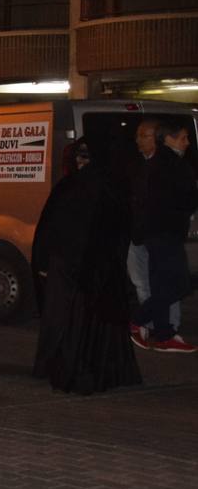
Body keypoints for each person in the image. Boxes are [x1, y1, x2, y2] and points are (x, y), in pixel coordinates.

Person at [31, 138, 141, 393]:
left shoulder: (75, 187)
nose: (81, 162)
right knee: (89, 322)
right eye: (79, 156)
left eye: (86, 156)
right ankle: (95, 369)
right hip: (93, 268)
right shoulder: (112, 187)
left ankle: (68, 367)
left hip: (76, 268)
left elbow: (52, 229)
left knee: (69, 320)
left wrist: (45, 261)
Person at [132, 121, 198, 353]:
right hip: (166, 234)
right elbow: (187, 199)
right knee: (179, 285)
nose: (187, 143)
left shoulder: (157, 163)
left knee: (161, 286)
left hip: (155, 234)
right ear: (168, 139)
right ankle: (137, 320)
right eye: (183, 138)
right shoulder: (172, 164)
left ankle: (163, 333)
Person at [125, 119, 180, 342]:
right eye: (138, 135)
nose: (138, 140)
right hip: (137, 235)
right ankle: (148, 326)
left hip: (158, 235)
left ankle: (168, 327)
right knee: (142, 282)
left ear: (157, 138)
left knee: (168, 284)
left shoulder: (165, 166)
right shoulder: (134, 165)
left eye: (144, 135)